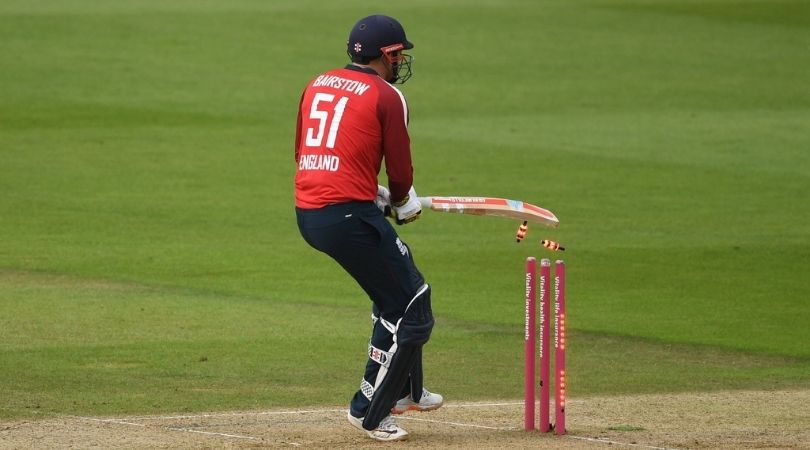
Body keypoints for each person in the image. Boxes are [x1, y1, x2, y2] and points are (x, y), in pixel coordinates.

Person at [294, 14, 443, 442]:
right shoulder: (387, 95)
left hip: (313, 208)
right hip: (346, 215)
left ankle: (405, 392)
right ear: (389, 54)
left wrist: (366, 191)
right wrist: (399, 199)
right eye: (400, 54)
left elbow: (307, 150)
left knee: (400, 281)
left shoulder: (317, 82)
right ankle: (369, 412)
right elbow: (401, 167)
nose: (401, 61)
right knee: (413, 308)